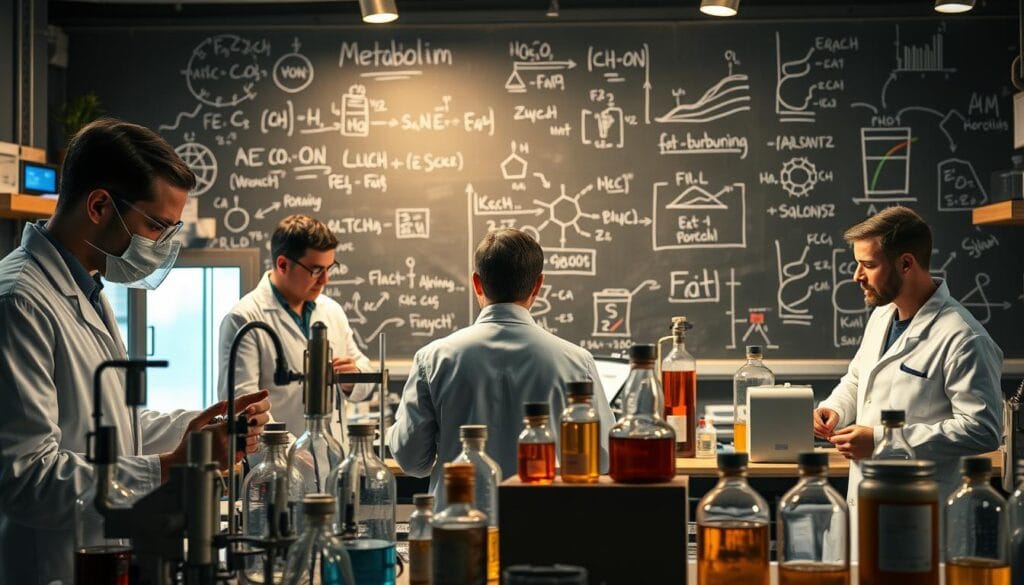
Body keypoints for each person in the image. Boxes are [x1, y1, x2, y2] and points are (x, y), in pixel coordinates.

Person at [0, 117, 271, 585]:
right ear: (101, 205)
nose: (161, 245)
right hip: (47, 568)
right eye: (155, 225)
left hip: (100, 559)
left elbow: (111, 431)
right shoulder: (19, 300)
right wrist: (171, 466)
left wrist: (195, 431)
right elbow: (26, 478)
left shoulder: (88, 288)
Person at [813, 205, 1003, 554]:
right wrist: (834, 408)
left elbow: (983, 428)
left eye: (868, 265)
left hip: (922, 521)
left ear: (906, 264)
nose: (856, 275)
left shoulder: (963, 337)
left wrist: (884, 443)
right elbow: (858, 378)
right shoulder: (882, 316)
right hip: (866, 509)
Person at [386, 228, 616, 499]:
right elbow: (604, 460)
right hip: (546, 524)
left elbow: (412, 461)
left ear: (477, 283)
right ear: (538, 285)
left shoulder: (433, 359)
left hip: (459, 526)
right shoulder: (578, 363)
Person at [219, 214, 374, 451]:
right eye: (315, 270)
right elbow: (245, 408)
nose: (325, 279)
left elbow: (365, 373)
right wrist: (293, 454)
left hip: (333, 461)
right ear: (282, 264)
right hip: (276, 465)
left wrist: (352, 378)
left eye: (330, 268)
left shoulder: (332, 310)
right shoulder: (244, 318)